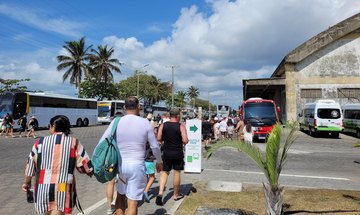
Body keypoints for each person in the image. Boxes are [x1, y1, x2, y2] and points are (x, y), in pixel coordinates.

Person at [99, 96, 163, 215]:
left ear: (124, 107)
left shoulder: (116, 121)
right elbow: (154, 146)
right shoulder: (145, 123)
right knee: (132, 202)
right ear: (139, 107)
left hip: (120, 166)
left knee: (120, 196)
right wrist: (159, 161)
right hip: (137, 166)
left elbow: (102, 142)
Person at [22, 115, 93, 215]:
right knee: (58, 210)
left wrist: (26, 183)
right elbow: (85, 165)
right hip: (63, 186)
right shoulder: (74, 143)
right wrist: (89, 172)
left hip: (42, 187)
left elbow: (30, 166)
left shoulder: (39, 143)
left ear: (52, 126)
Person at [156, 108, 189, 206]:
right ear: (178, 116)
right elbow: (185, 140)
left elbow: (158, 138)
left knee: (164, 172)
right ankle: (176, 194)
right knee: (177, 173)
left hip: (166, 152)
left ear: (170, 115)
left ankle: (160, 193)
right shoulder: (181, 126)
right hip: (177, 153)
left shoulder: (163, 125)